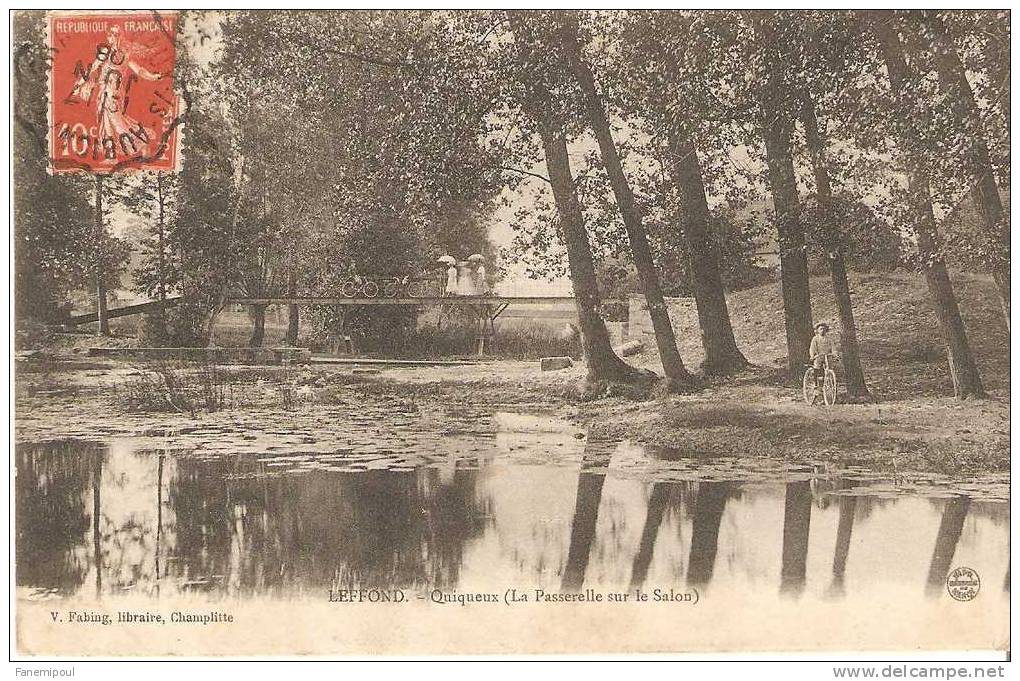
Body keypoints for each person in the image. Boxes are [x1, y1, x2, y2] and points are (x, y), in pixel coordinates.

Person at [809, 322, 836, 403]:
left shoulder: (829, 339)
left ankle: (829, 379)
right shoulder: (815, 339)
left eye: (824, 329)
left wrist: (835, 353)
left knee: (829, 367)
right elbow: (812, 348)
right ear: (817, 330)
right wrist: (812, 355)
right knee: (817, 366)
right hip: (819, 356)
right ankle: (816, 383)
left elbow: (833, 347)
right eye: (820, 329)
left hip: (827, 356)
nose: (822, 331)